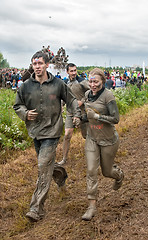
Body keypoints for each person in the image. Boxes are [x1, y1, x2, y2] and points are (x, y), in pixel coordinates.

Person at [13, 51, 81, 222]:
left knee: (43, 166)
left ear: (47, 65)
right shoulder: (26, 86)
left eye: (40, 64)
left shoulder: (58, 84)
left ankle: (36, 207)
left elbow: (72, 100)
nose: (37, 67)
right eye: (34, 64)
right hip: (35, 131)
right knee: (47, 166)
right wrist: (25, 113)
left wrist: (76, 114)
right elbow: (17, 105)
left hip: (52, 130)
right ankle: (61, 176)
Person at [81, 68, 124, 221]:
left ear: (102, 82)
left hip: (108, 139)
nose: (92, 85)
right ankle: (91, 206)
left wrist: (97, 116)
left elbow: (116, 119)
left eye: (96, 82)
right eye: (90, 81)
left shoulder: (108, 96)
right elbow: (87, 115)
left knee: (106, 172)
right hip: (92, 138)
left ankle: (118, 175)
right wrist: (81, 118)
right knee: (91, 170)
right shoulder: (87, 95)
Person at [58, 63, 90, 165]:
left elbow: (91, 92)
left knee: (87, 136)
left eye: (75, 70)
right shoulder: (65, 83)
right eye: (71, 71)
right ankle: (64, 159)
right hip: (70, 112)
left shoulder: (82, 81)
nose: (74, 73)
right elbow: (63, 96)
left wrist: (82, 101)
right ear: (67, 72)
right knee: (67, 135)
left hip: (83, 112)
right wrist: (61, 106)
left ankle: (93, 155)